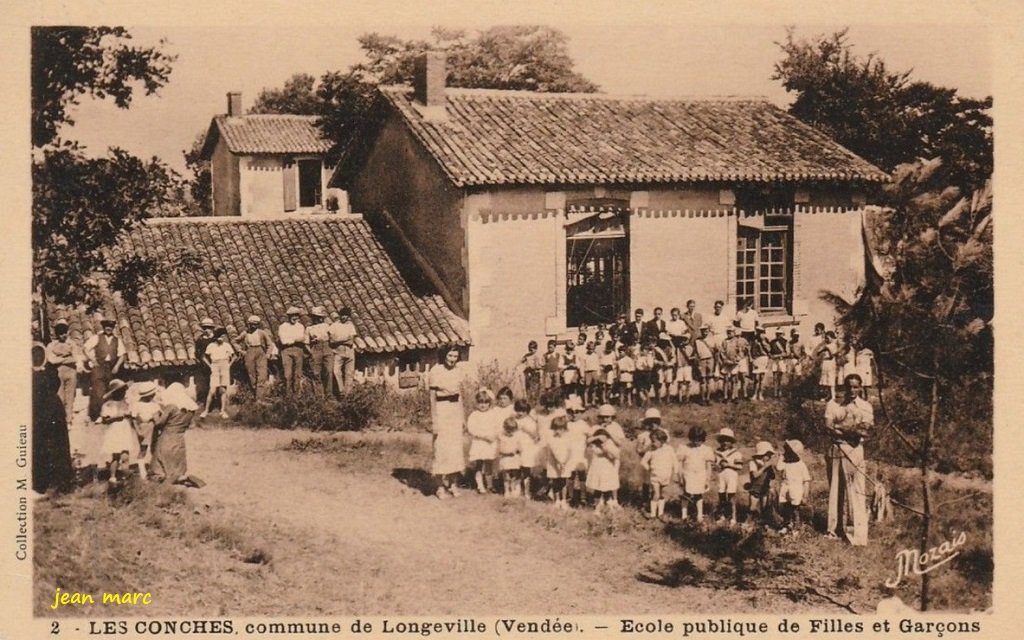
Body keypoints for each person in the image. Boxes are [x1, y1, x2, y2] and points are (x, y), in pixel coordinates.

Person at [824, 374, 874, 546]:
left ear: (860, 387)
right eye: (849, 387)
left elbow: (864, 430)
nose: (852, 390)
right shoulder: (834, 404)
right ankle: (834, 529)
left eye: (855, 387)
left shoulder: (865, 406)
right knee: (835, 490)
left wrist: (840, 427)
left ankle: (857, 533)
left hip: (855, 450)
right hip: (836, 449)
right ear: (844, 387)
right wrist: (848, 429)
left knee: (856, 491)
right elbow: (828, 427)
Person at [32, 348, 73, 494]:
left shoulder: (49, 369)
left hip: (52, 410)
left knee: (58, 445)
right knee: (39, 446)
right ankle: (41, 483)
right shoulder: (29, 373)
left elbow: (55, 384)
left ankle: (61, 482)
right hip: (38, 412)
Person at [427, 346, 466, 499]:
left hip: (455, 410)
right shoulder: (435, 371)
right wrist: (434, 420)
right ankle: (439, 487)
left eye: (455, 356)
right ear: (444, 355)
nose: (452, 359)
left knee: (455, 447)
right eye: (450, 355)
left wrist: (462, 416)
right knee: (441, 447)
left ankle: (453, 483)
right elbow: (432, 398)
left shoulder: (458, 371)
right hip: (441, 410)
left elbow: (460, 394)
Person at [151, 376, 203, 487]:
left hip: (167, 436)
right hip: (180, 437)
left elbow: (159, 423)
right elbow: (190, 425)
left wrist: (155, 414)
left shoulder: (172, 407)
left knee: (160, 463)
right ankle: (181, 477)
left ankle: (166, 478)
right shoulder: (190, 409)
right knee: (177, 462)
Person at [96, 379, 139, 485]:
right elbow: (105, 420)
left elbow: (130, 417)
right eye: (121, 391)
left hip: (125, 430)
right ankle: (113, 477)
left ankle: (125, 477)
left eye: (124, 391)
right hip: (115, 430)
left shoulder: (126, 403)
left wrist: (130, 416)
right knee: (116, 455)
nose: (123, 393)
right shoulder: (108, 405)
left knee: (125, 455)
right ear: (115, 392)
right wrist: (116, 417)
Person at [84, 315, 125, 421]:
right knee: (98, 391)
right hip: (99, 367)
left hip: (111, 368)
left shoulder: (117, 340)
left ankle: (107, 415)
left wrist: (116, 366)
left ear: (113, 328)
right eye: (106, 326)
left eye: (110, 327)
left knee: (109, 391)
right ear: (103, 327)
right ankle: (97, 415)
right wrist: (92, 360)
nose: (108, 328)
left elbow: (122, 355)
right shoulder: (97, 337)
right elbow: (85, 348)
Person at [676, 425, 715, 522]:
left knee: (698, 495)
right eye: (694, 440)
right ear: (691, 438)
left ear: (703, 439)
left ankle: (699, 515)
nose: (696, 442)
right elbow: (680, 463)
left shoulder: (706, 449)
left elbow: (708, 465)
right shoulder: (684, 448)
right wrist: (680, 476)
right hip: (688, 474)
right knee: (686, 494)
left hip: (700, 475)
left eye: (699, 440)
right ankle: (684, 515)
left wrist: (707, 478)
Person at [45, 317, 80, 425]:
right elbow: (51, 360)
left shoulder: (72, 344)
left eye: (65, 332)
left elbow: (76, 358)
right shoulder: (51, 345)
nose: (63, 335)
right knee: (60, 397)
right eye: (61, 333)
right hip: (58, 374)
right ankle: (61, 421)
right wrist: (66, 358)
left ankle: (68, 420)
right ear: (57, 334)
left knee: (70, 397)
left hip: (71, 373)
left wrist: (60, 359)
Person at [466, 388, 500, 494]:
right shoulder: (474, 415)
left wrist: (494, 436)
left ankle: (490, 485)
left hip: (489, 442)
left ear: (489, 403)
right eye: (480, 402)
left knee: (489, 463)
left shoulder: (492, 414)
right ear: (477, 403)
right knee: (479, 464)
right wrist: (483, 436)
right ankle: (480, 486)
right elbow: (471, 429)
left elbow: (497, 426)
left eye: (485, 402)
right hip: (479, 442)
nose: (483, 405)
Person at [642, 429, 677, 520]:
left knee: (663, 495)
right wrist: (649, 469)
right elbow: (643, 462)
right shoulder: (651, 450)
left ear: (662, 440)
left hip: (665, 476)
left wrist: (676, 472)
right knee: (656, 494)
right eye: (651, 441)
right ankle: (653, 514)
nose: (652, 443)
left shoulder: (669, 449)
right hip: (655, 477)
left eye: (654, 441)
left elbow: (675, 461)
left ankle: (660, 513)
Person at [778, 439, 812, 534]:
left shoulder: (801, 465)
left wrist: (805, 495)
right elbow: (778, 468)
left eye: (788, 451)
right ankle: (786, 525)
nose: (786, 453)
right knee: (785, 508)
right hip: (785, 487)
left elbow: (806, 480)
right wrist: (781, 458)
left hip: (796, 489)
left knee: (795, 509)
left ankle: (796, 528)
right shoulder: (785, 463)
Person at [129, 381, 162, 480]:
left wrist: (138, 429)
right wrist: (138, 430)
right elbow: (157, 420)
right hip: (147, 427)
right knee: (149, 449)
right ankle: (145, 471)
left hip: (145, 427)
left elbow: (134, 419)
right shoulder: (152, 406)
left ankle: (149, 469)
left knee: (148, 449)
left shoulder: (137, 405)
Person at [240, 315, 276, 402]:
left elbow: (270, 344)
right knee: (251, 375)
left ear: (258, 325)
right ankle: (255, 395)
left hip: (260, 352)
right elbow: (235, 341)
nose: (253, 326)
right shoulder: (245, 333)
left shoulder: (262, 333)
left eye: (255, 324)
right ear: (248, 324)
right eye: (251, 324)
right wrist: (241, 351)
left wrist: (268, 354)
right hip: (249, 352)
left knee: (262, 375)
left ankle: (260, 398)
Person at [201, 328, 235, 419]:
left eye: (223, 336)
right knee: (212, 390)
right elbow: (204, 357)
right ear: (216, 337)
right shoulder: (211, 346)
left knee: (223, 390)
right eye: (220, 336)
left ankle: (222, 411)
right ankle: (206, 410)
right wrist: (210, 366)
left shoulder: (227, 345)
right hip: (215, 365)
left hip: (224, 365)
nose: (221, 338)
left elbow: (234, 356)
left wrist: (229, 365)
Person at [585, 428, 621, 512]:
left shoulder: (608, 444)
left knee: (606, 486)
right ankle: (597, 506)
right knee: (597, 486)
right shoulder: (594, 444)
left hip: (607, 467)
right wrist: (596, 437)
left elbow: (613, 456)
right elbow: (587, 442)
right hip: (597, 467)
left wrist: (604, 446)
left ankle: (608, 504)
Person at [714, 427, 743, 525]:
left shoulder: (736, 453)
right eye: (722, 440)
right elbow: (715, 465)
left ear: (731, 442)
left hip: (731, 476)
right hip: (721, 476)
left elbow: (739, 466)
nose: (725, 443)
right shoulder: (717, 453)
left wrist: (729, 465)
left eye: (728, 441)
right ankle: (722, 515)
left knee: (731, 496)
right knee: (721, 496)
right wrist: (718, 466)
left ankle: (733, 517)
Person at [565, 397, 591, 506]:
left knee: (581, 475)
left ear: (581, 413)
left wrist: (588, 445)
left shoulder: (583, 425)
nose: (574, 415)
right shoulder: (567, 424)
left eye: (577, 412)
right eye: (571, 412)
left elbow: (590, 436)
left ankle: (583, 497)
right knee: (570, 474)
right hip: (570, 453)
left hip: (580, 453)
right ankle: (570, 496)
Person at [328, 307, 358, 395]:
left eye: (346, 316)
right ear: (340, 315)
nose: (344, 317)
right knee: (336, 371)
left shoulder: (350, 326)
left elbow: (351, 341)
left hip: (349, 351)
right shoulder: (334, 326)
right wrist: (345, 339)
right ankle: (341, 391)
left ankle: (348, 394)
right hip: (338, 351)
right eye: (343, 315)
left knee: (349, 373)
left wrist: (339, 339)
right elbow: (332, 341)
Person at [545, 415, 572, 510]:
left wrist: (564, 462)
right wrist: (559, 462)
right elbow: (553, 452)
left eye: (560, 429)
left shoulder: (568, 438)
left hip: (565, 462)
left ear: (564, 429)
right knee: (555, 481)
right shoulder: (551, 439)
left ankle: (563, 500)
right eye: (556, 429)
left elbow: (569, 451)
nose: (558, 431)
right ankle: (557, 500)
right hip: (554, 462)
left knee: (564, 481)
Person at [746, 441, 777, 525]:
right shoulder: (753, 462)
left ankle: (762, 524)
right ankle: (748, 523)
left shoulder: (768, 464)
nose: (770, 457)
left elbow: (772, 477)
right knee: (752, 508)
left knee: (764, 508)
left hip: (765, 488)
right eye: (768, 455)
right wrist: (765, 467)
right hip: (755, 488)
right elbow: (755, 475)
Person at [305, 306, 333, 397]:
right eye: (315, 317)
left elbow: (333, 337)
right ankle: (319, 395)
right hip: (315, 349)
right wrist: (311, 352)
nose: (317, 319)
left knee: (329, 370)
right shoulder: (309, 328)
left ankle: (329, 393)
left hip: (326, 347)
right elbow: (306, 343)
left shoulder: (327, 326)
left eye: (319, 317)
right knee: (316, 372)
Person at [278, 306, 306, 395]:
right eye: (292, 315)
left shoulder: (300, 326)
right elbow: (283, 341)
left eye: (296, 315)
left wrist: (291, 339)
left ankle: (297, 394)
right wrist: (295, 339)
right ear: (288, 316)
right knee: (287, 374)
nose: (294, 317)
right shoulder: (283, 327)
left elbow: (302, 338)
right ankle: (288, 395)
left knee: (298, 373)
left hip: (298, 350)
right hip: (286, 351)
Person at [514, 400, 539, 498]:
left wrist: (526, 429)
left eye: (523, 411)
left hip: (527, 447)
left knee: (526, 469)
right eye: (518, 410)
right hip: (516, 447)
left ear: (527, 411)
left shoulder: (530, 421)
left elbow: (535, 436)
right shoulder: (514, 420)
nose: (520, 413)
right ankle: (517, 489)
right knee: (516, 468)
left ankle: (527, 491)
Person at [192, 318, 217, 410]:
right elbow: (198, 353)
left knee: (215, 384)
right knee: (206, 384)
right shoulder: (200, 340)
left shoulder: (215, 339)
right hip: (205, 365)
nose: (207, 329)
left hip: (215, 363)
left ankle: (215, 404)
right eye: (205, 328)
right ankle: (207, 405)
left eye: (209, 328)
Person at [719, 326, 748, 402]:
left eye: (731, 332)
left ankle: (734, 396)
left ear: (734, 333)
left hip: (734, 363)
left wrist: (737, 359)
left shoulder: (737, 341)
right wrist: (725, 360)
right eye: (728, 332)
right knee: (725, 379)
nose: (729, 333)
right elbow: (722, 352)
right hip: (727, 363)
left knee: (734, 379)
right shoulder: (724, 341)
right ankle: (725, 396)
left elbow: (741, 351)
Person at [497, 417, 523, 497]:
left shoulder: (516, 437)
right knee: (506, 476)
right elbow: (500, 450)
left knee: (515, 476)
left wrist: (519, 449)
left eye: (512, 431)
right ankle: (506, 490)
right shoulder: (502, 437)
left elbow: (520, 448)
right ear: (504, 428)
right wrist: (508, 452)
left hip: (514, 459)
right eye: (508, 430)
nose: (510, 433)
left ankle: (513, 489)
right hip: (506, 459)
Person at [814, 330, 839, 401]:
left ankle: (833, 396)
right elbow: (818, 353)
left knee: (831, 379)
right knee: (825, 380)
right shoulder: (825, 345)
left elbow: (832, 356)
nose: (827, 339)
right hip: (825, 363)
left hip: (831, 363)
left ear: (832, 338)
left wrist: (827, 349)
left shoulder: (834, 345)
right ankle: (828, 395)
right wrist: (821, 351)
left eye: (828, 338)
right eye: (826, 338)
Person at [692, 327, 715, 404]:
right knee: (702, 380)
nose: (705, 332)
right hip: (701, 360)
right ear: (701, 332)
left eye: (706, 331)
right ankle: (702, 398)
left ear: (708, 331)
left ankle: (708, 398)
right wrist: (697, 363)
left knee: (709, 379)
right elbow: (695, 353)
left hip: (710, 359)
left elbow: (716, 351)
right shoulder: (697, 341)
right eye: (703, 331)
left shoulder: (712, 339)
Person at [749, 327, 772, 401]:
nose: (760, 334)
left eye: (761, 332)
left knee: (762, 378)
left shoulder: (766, 340)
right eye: (758, 332)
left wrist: (763, 342)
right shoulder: (753, 339)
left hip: (764, 358)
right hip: (756, 358)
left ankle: (760, 394)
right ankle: (755, 394)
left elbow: (769, 350)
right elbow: (750, 349)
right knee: (756, 378)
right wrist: (751, 358)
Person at [519, 340, 543, 406]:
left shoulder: (537, 356)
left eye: (533, 349)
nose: (531, 351)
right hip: (528, 373)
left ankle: (535, 402)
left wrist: (536, 366)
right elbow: (521, 361)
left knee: (535, 388)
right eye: (530, 349)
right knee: (528, 388)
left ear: (536, 349)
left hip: (535, 373)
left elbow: (540, 365)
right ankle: (529, 402)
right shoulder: (527, 355)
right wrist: (517, 366)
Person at [769, 329, 789, 398]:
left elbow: (787, 353)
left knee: (780, 377)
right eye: (777, 334)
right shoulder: (772, 342)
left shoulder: (785, 342)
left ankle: (779, 391)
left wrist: (778, 355)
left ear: (782, 334)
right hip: (775, 361)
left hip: (781, 360)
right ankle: (775, 392)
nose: (778, 335)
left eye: (780, 334)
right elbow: (770, 351)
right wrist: (771, 356)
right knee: (774, 376)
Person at [582, 341, 601, 407]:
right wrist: (582, 375)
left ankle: (593, 402)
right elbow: (582, 366)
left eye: (592, 349)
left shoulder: (595, 355)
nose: (591, 350)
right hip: (587, 372)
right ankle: (586, 403)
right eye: (590, 348)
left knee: (594, 388)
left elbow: (598, 365)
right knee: (587, 388)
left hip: (594, 372)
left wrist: (598, 373)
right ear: (587, 348)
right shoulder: (584, 356)